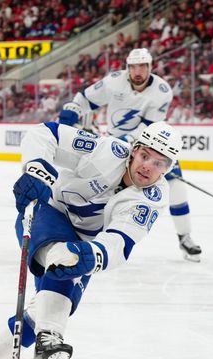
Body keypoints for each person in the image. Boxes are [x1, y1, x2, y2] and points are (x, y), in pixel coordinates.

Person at [0, 120, 182, 359]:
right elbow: (46, 133)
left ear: (168, 169)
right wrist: (36, 170)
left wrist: (94, 254)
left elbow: (121, 240)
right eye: (145, 155)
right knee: (64, 264)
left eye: (160, 163)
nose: (148, 166)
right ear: (134, 150)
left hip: (83, 244)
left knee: (39, 315)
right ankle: (51, 340)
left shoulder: (152, 196)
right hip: (46, 213)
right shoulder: (107, 151)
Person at [71, 48, 201, 262]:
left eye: (143, 66)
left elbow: (148, 127)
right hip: (116, 143)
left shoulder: (161, 90)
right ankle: (92, 237)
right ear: (127, 68)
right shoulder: (114, 81)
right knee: (105, 188)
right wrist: (72, 110)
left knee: (178, 188)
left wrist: (125, 142)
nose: (138, 71)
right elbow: (84, 98)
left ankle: (185, 238)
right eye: (133, 66)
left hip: (151, 145)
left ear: (150, 67)